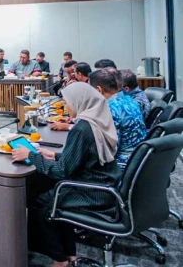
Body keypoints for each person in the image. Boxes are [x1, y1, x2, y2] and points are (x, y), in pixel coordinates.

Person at [12, 83, 120, 267]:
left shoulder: (81, 129)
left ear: (79, 101)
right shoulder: (96, 120)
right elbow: (86, 156)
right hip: (104, 184)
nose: (66, 106)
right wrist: (54, 155)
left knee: (41, 203)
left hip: (92, 192)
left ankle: (59, 259)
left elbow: (62, 171)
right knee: (47, 191)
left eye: (67, 102)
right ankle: (70, 254)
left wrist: (30, 155)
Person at [89, 69, 146, 165]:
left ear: (98, 90)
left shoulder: (110, 109)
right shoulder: (129, 99)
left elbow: (110, 149)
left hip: (123, 163)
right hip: (140, 158)